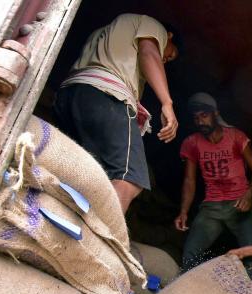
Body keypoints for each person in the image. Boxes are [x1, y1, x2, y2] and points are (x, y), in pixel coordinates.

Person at [54, 13, 180, 213]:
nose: (166, 59)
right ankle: (97, 240)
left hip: (70, 96)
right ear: (169, 37)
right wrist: (167, 103)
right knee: (129, 177)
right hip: (107, 96)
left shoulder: (106, 33)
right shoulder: (152, 25)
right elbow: (149, 53)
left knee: (84, 172)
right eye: (171, 54)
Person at [174, 92, 252, 282]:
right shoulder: (192, 143)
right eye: (196, 118)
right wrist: (183, 211)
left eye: (204, 116)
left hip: (239, 204)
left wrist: (249, 195)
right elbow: (189, 180)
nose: (200, 122)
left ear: (215, 113)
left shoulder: (235, 136)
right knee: (191, 253)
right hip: (211, 207)